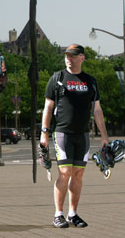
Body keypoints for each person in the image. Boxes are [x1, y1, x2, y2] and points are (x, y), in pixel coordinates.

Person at [40, 44, 109, 229]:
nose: (68, 58)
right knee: (64, 173)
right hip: (62, 133)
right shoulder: (57, 78)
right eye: (67, 56)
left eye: (72, 56)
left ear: (82, 58)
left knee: (78, 174)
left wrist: (104, 137)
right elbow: (48, 107)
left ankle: (72, 214)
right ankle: (58, 214)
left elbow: (97, 109)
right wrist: (44, 133)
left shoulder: (90, 81)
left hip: (83, 134)